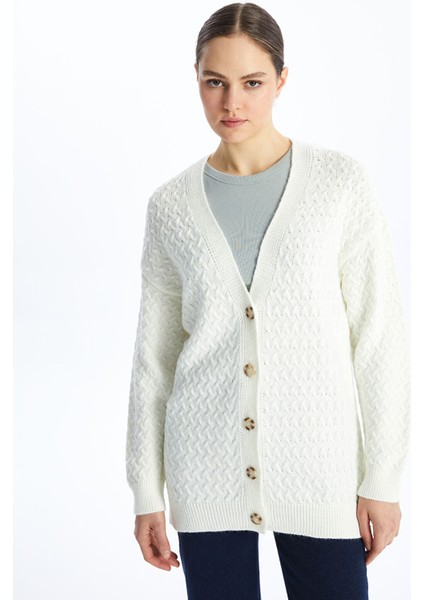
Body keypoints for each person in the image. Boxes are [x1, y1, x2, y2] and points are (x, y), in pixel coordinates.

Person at [125, 3, 411, 599]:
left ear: (282, 80)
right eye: (215, 82)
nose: (232, 102)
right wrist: (147, 492)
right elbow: (154, 361)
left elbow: (379, 339)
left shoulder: (339, 185)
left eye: (252, 82)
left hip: (321, 469)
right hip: (204, 469)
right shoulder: (171, 207)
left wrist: (382, 479)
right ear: (196, 79)